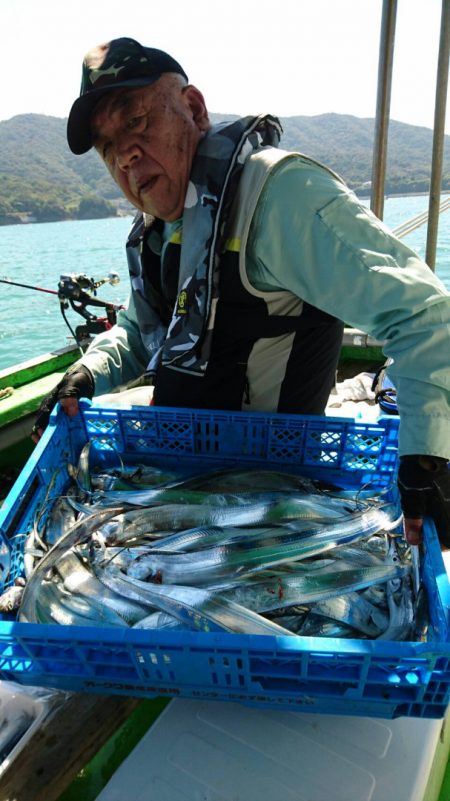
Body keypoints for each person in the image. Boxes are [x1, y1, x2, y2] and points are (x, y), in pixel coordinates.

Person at [33, 37, 450, 547]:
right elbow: (142, 329)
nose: (124, 154)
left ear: (194, 108)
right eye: (106, 147)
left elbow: (423, 317)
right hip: (186, 481)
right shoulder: (159, 228)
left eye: (135, 120)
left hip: (275, 490)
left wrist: (425, 457)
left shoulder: (278, 194)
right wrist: (88, 373)